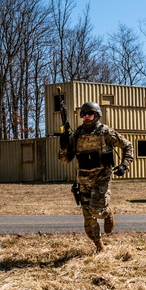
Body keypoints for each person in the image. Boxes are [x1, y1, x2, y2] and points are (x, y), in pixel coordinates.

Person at [58, 101, 134, 253]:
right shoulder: (77, 134)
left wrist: (124, 164)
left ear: (97, 115)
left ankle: (108, 212)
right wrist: (63, 145)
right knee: (88, 219)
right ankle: (99, 247)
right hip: (83, 180)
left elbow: (127, 145)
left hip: (101, 178)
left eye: (90, 114)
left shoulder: (105, 132)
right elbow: (65, 159)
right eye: (84, 114)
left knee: (96, 210)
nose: (87, 117)